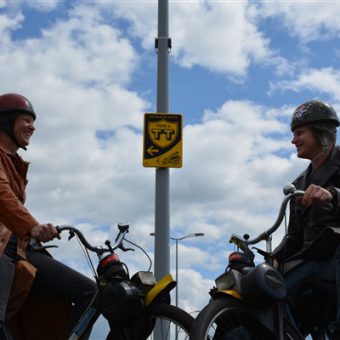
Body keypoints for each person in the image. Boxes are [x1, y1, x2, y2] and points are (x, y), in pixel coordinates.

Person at [0, 93, 97, 339]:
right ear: (5, 121)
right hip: (3, 250)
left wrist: (33, 230)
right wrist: (31, 226)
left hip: (21, 249)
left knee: (91, 292)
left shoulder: (16, 163)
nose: (32, 127)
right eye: (26, 120)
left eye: (33, 122)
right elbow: (2, 195)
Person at [273, 99, 340, 339]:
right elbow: (293, 238)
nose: (293, 140)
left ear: (322, 133)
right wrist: (271, 259)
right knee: (267, 285)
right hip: (312, 263)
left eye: (300, 132)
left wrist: (333, 195)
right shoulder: (299, 184)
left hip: (333, 260)